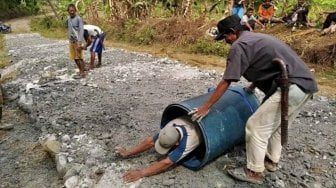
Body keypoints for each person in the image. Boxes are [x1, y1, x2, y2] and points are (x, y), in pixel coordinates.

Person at [189, 15, 318, 184]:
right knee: (277, 124)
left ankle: (253, 172)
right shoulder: (255, 38)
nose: (226, 41)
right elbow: (265, 65)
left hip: (290, 87)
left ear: (232, 32)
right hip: (304, 85)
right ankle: (271, 161)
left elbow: (227, 80)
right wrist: (252, 86)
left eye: (225, 37)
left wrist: (206, 106)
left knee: (255, 126)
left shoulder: (239, 45)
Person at [115, 116, 202, 183]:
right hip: (187, 120)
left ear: (177, 143)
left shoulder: (187, 142)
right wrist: (128, 152)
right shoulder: (169, 127)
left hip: (200, 130)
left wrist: (141, 173)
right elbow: (150, 142)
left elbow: (167, 163)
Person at [67, 3, 85, 79]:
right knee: (75, 57)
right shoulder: (68, 19)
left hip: (77, 41)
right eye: (70, 11)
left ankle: (82, 73)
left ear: (75, 11)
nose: (71, 12)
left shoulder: (78, 19)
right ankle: (81, 70)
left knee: (79, 57)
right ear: (68, 11)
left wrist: (79, 42)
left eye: (73, 10)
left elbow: (81, 30)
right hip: (71, 41)